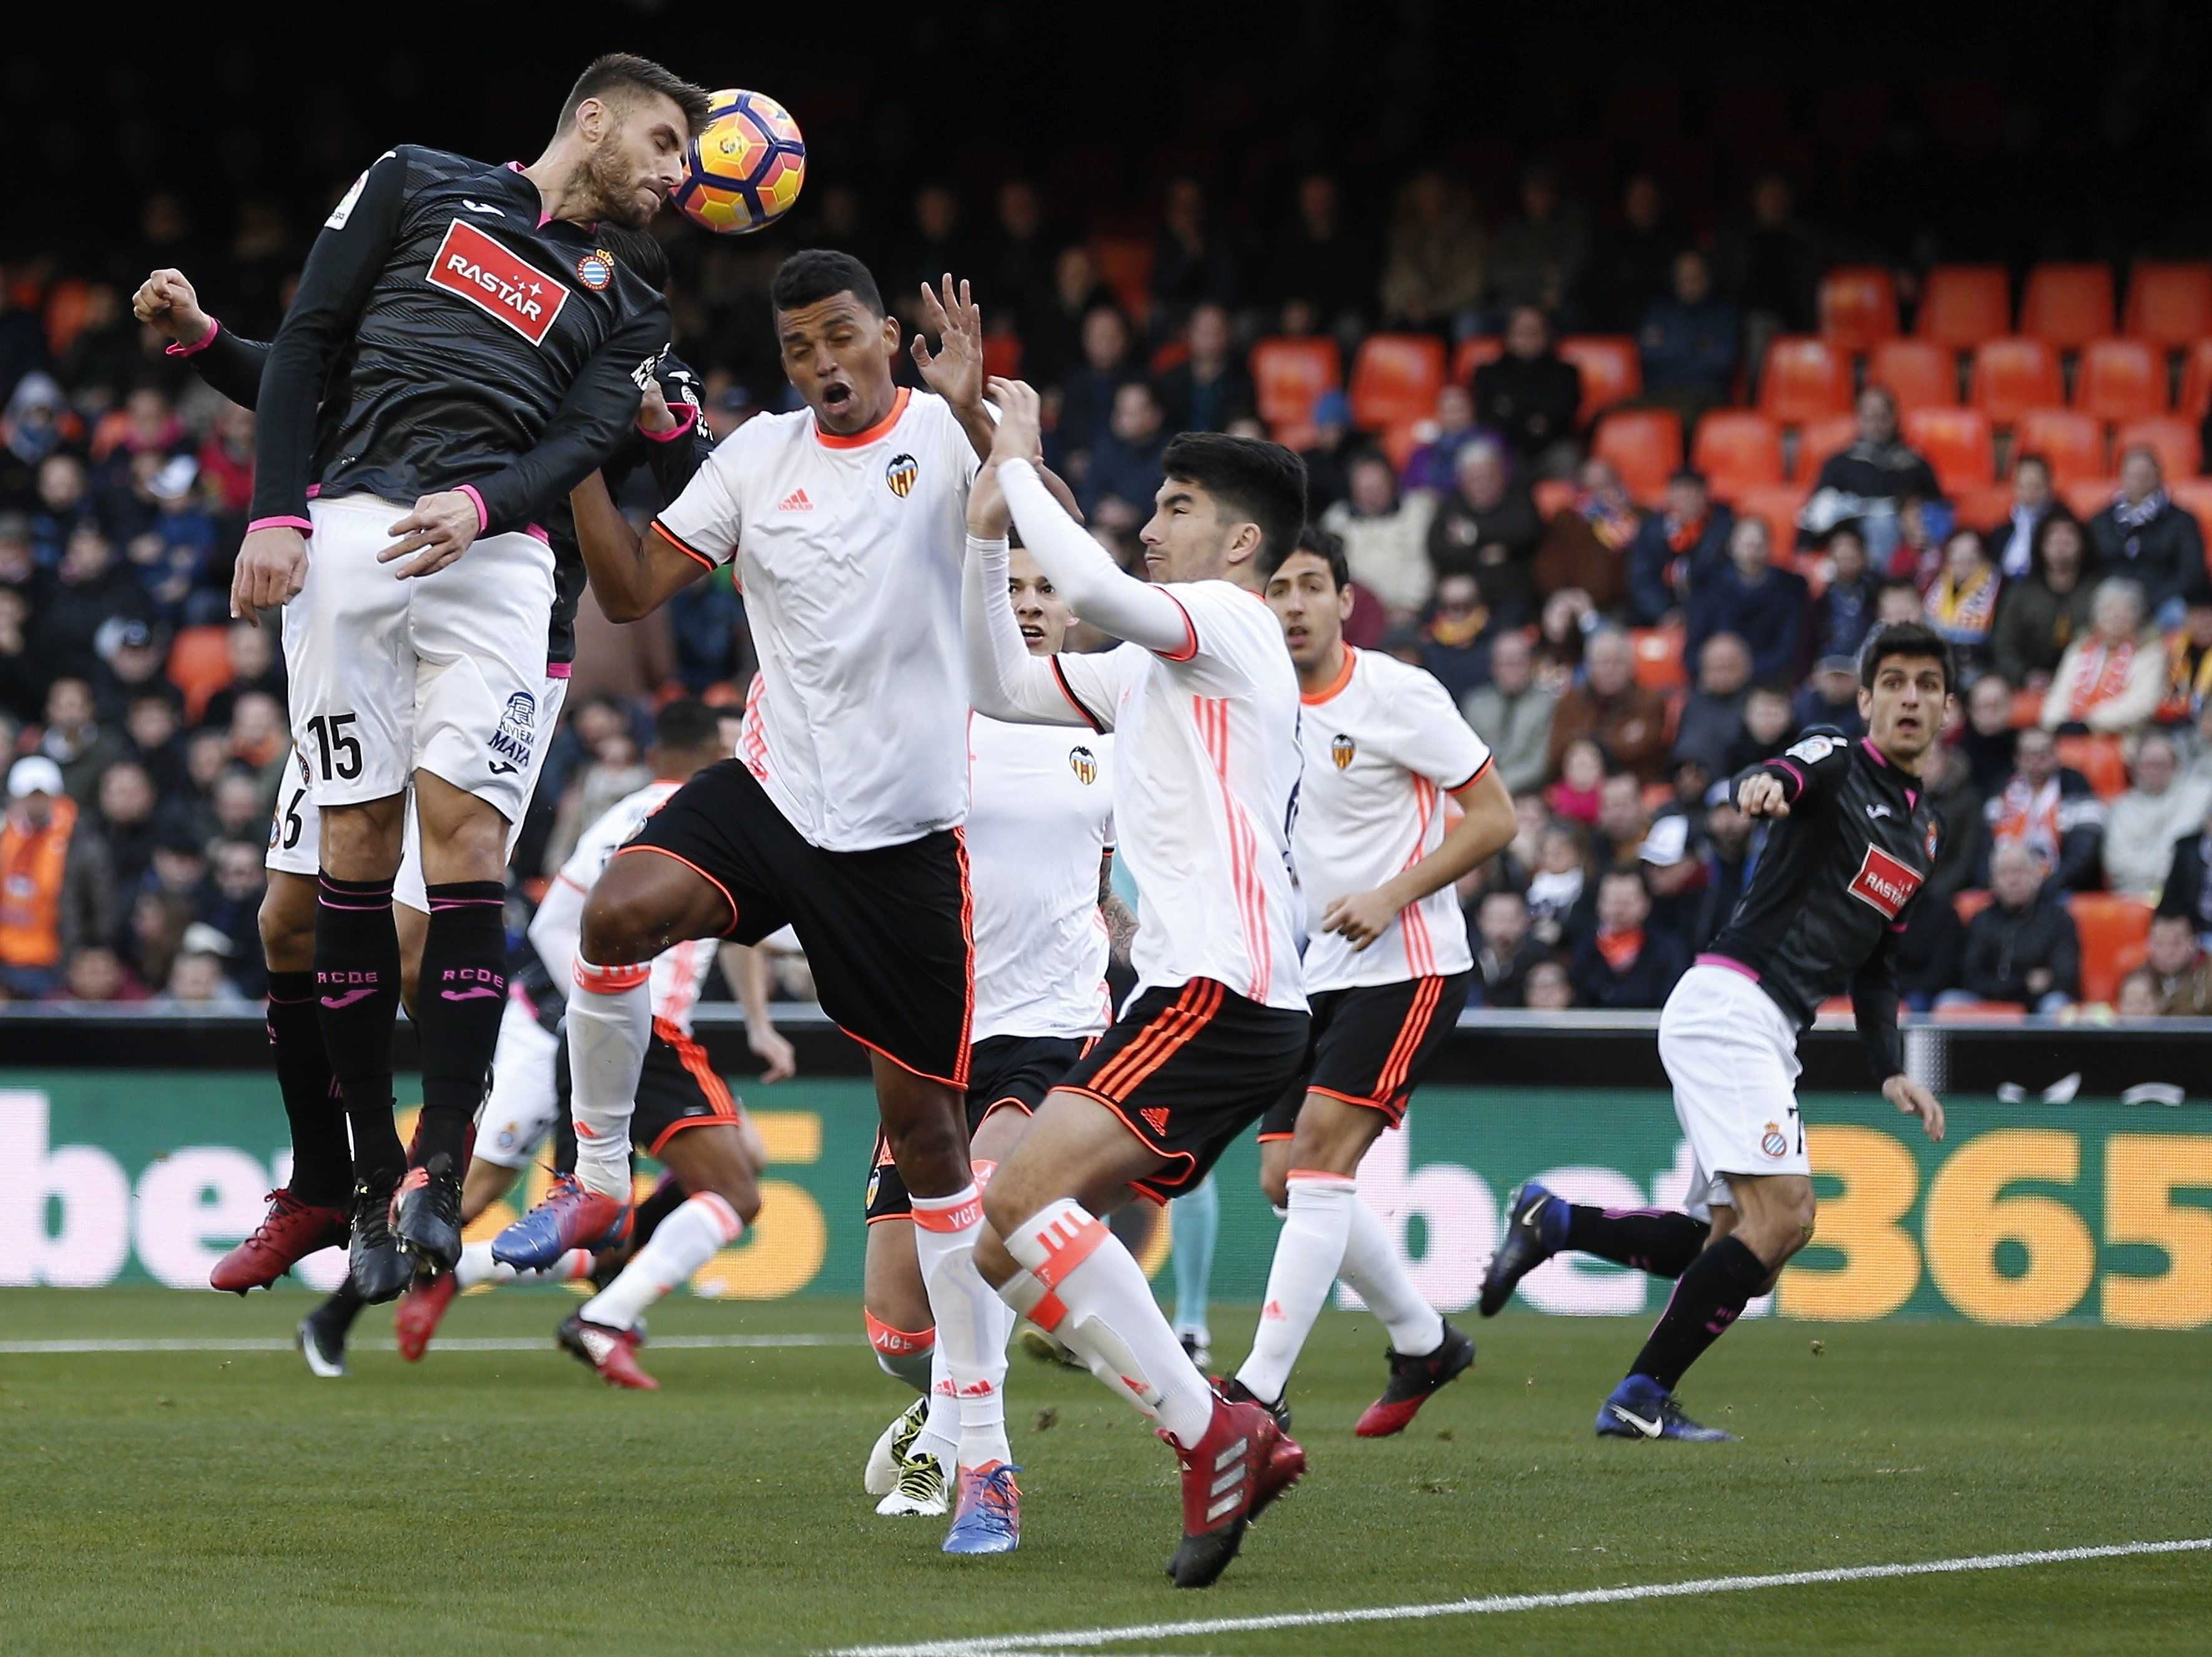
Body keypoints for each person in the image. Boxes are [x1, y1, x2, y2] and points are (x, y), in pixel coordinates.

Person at [493, 258, 1046, 1557]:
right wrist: (584, 448)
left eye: (841, 337)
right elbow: (628, 587)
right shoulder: (755, 460)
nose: (822, 364)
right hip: (772, 797)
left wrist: (984, 422)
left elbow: (1049, 529)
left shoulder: (939, 433)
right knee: (614, 912)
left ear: (888, 341)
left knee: (929, 1151)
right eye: (799, 348)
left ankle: (985, 1458)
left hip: (900, 844)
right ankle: (598, 1177)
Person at [139, 242, 721, 1301]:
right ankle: (327, 1176)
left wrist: (661, 425)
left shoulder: (626, 351)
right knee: (286, 918)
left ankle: (443, 1153)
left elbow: (700, 489)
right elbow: (302, 382)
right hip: (369, 599)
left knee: (417, 937)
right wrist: (204, 338)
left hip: (501, 632)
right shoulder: (442, 314)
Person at [960, 403, 1312, 1586]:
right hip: (1213, 990)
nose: (1152, 525)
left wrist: (1015, 461)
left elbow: (1098, 593)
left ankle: (1210, 1430)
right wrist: (978, 533)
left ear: (1238, 545)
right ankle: (1212, 1424)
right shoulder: (1163, 669)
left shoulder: (1226, 621)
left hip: (1215, 980)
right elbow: (999, 683)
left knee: (1009, 1202)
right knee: (1004, 1251)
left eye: (1176, 509)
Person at [1482, 622, 1952, 1440]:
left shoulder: (1921, 832)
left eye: (1926, 683)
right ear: (1867, 697)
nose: (1910, 696)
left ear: (1944, 706)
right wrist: (1762, 785)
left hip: (1766, 1026)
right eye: (1895, 681)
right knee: (1786, 1218)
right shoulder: (1835, 758)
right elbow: (1779, 771)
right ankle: (1635, 1397)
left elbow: (1876, 962)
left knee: (1735, 1244)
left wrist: (1888, 1067)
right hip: (1731, 1004)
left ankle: (1553, 1222)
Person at [295, 703, 780, 1383]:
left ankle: (602, 1285)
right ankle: (339, 1313)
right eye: (736, 742)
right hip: (551, 1022)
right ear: (706, 749)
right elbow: (560, 923)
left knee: (734, 1159)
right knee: (477, 1185)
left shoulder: (660, 813)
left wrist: (755, 1022)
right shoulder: (691, 814)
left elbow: (741, 930)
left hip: (608, 1030)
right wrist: (599, 1012)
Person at [858, 543, 1126, 1520]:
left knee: (985, 1206)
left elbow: (1100, 881)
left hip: (1050, 1026)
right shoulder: (936, 716)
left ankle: (968, 1456)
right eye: (1009, 586)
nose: (1026, 604)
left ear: (1076, 607)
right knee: (898, 1328)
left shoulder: (1108, 720)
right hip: (934, 1024)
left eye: (1046, 587)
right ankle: (934, 1406)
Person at [1230, 528, 1515, 1437]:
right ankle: (1422, 1339)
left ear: (1345, 601)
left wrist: (1391, 893)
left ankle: (1256, 1390)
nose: (1295, 604)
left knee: (1316, 1160)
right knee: (1284, 1176)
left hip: (1407, 963)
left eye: (1313, 586)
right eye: (1278, 588)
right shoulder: (1252, 704)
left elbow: (1495, 817)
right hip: (1302, 970)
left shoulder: (1398, 693)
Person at [1, 755, 114, 999]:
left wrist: (86, 952)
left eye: (42, 795)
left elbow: (99, 902)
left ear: (57, 796)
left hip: (55, 962)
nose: (35, 803)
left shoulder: (81, 841)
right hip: (5, 958)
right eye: (28, 796)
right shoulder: (4, 835)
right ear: (13, 797)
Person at [1801, 387, 1939, 564]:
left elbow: (1937, 506)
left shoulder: (1914, 463)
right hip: (1851, 546)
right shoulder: (1839, 463)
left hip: (1907, 542)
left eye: (1882, 417)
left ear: (1894, 418)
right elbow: (1817, 511)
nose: (1876, 425)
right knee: (1880, 526)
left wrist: (1918, 523)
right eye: (1870, 418)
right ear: (1859, 419)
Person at [1952, 843, 2080, 1013]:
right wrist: (2023, 984)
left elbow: (2064, 977)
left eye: (2020, 871)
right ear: (1992, 881)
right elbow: (1969, 976)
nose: (2013, 880)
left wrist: (2012, 987)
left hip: (2039, 1004)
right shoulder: (1981, 920)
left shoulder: (2059, 919)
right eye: (2004, 873)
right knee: (1950, 1001)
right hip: (1989, 998)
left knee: (2055, 1006)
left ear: (2038, 875)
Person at [1427, 440, 1543, 624]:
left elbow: (1525, 533)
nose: (1482, 484)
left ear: (1501, 476)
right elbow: (1438, 549)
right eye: (1474, 478)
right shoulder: (1452, 505)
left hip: (1512, 595)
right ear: (1462, 481)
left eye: (1488, 477)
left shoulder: (1518, 498)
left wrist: (1472, 534)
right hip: (1463, 592)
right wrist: (1483, 556)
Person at [1684, 516, 1809, 687]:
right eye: (1746, 544)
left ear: (1768, 547)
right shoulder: (1709, 588)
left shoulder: (1789, 590)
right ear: (1732, 546)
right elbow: (1694, 649)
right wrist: (1717, 674)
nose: (1752, 552)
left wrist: (1745, 673)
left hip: (1768, 683)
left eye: (1758, 545)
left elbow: (1789, 650)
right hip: (1717, 683)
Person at [2087, 446, 2205, 626]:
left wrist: (2152, 599)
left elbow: (2191, 572)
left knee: (2177, 614)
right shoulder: (2101, 521)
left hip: (2162, 600)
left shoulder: (2182, 521)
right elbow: (2090, 566)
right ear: (2121, 477)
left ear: (2159, 476)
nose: (2139, 481)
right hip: (2112, 600)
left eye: (2146, 475)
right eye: (2133, 475)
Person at [1985, 725, 2105, 892]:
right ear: (2017, 758)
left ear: (2056, 755)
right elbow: (1985, 847)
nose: (2035, 762)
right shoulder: (2001, 790)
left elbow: (2083, 855)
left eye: (2042, 755)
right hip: (2006, 888)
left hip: (2060, 888)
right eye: (2028, 755)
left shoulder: (2076, 787)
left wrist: (2045, 887)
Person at [1319, 450, 1437, 621]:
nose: (1372, 495)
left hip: (1411, 614)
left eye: (1378, 487)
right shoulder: (1337, 522)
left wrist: (1409, 606)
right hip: (1358, 617)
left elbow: (1421, 565)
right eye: (1366, 489)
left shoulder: (1417, 513)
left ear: (1391, 484)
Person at [2042, 578, 2165, 735]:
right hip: (2068, 732)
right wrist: (2058, 722)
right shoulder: (2079, 648)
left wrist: (2089, 723)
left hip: (2123, 737)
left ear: (2138, 617)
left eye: (2125, 611)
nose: (2116, 618)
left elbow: (2143, 704)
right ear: (2096, 616)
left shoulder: (2149, 652)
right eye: (2108, 610)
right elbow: (2057, 695)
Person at [1546, 627, 1669, 784]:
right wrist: (1616, 741)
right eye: (1603, 663)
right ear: (1589, 667)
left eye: (1617, 662)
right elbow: (1556, 754)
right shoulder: (1569, 701)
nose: (1609, 670)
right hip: (1576, 788)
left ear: (1631, 666)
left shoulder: (1650, 701)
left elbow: (1641, 751)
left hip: (1631, 786)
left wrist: (1584, 744)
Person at [1990, 514, 2098, 692]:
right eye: (2054, 540)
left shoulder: (2099, 591)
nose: (2061, 546)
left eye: (2068, 539)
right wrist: (2024, 675)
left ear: (2083, 544)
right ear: (2041, 546)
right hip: (2029, 680)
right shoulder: (2020, 594)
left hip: (2087, 683)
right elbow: (2003, 645)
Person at [1472, 305, 1583, 478]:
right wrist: (1533, 420)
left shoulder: (1566, 373)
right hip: (1508, 447)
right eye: (1521, 332)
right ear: (1508, 336)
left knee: (1567, 455)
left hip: (1552, 447)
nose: (1528, 339)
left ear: (1547, 336)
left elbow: (1564, 415)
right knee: (1486, 451)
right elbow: (1487, 417)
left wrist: (1513, 411)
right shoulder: (1488, 373)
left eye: (1534, 332)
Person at [2103, 732, 2212, 898]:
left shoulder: (2199, 797)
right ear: (2136, 768)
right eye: (2149, 765)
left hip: (2183, 896)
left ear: (2176, 766)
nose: (2156, 771)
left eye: (2162, 764)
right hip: (2133, 897)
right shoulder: (2120, 809)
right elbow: (2117, 865)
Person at [1638, 250, 1741, 419]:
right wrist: (1696, 347)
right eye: (1683, 277)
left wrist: (1670, 345)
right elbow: (1649, 358)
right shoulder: (1658, 312)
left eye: (1696, 277)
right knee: (1607, 418)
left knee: (1679, 418)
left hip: (1705, 397)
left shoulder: (1724, 315)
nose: (1689, 283)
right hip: (1658, 395)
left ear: (1708, 279)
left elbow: (1722, 363)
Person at [1568, 868, 1688, 1010]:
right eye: (1612, 902)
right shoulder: (1583, 948)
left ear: (1646, 904)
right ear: (1599, 903)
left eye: (1627, 902)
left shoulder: (1668, 949)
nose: (1619, 910)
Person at [1626, 469, 1733, 626]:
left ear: (1705, 496)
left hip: (1707, 616)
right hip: (1657, 616)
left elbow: (1722, 580)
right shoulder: (1652, 529)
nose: (1685, 500)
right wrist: (1663, 613)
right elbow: (1642, 579)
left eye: (1691, 494)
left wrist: (1691, 614)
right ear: (1669, 496)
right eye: (1679, 493)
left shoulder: (1723, 529)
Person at [1462, 629, 1556, 795]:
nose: (1512, 670)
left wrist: (1500, 786)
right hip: (1482, 791)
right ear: (1494, 667)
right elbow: (1467, 757)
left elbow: (1541, 762)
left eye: (1518, 662)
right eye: (1505, 663)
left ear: (1531, 664)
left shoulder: (1547, 704)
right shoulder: (1476, 705)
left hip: (1530, 793)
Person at [1154, 302, 1255, 435]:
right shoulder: (1171, 379)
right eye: (1204, 332)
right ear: (1189, 333)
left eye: (1217, 332)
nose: (1210, 339)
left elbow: (1242, 418)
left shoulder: (1241, 378)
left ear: (1228, 334)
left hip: (1224, 450)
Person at [1671, 631, 1755, 779]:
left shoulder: (1755, 704)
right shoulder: (1692, 704)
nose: (1722, 675)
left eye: (1728, 667)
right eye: (1715, 668)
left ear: (1746, 668)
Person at [1923, 529, 2002, 672]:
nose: (1963, 564)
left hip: (1979, 665)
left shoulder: (2000, 589)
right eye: (1957, 558)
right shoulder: (1937, 584)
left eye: (1971, 558)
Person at [1811, 523, 1884, 664]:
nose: (1846, 559)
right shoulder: (1819, 598)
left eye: (1851, 555)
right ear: (1830, 557)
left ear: (1863, 556)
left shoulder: (1877, 592)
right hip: (1828, 667)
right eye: (1841, 556)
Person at [1990, 453, 2060, 579]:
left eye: (2035, 486)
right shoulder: (2002, 531)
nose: (2029, 493)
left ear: (2049, 486)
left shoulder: (2062, 526)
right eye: (2022, 486)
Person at [2138, 915, 2212, 1015]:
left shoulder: (2208, 977)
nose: (2167, 952)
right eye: (2159, 943)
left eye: (2176, 943)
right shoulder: (2138, 979)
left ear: (2193, 943)